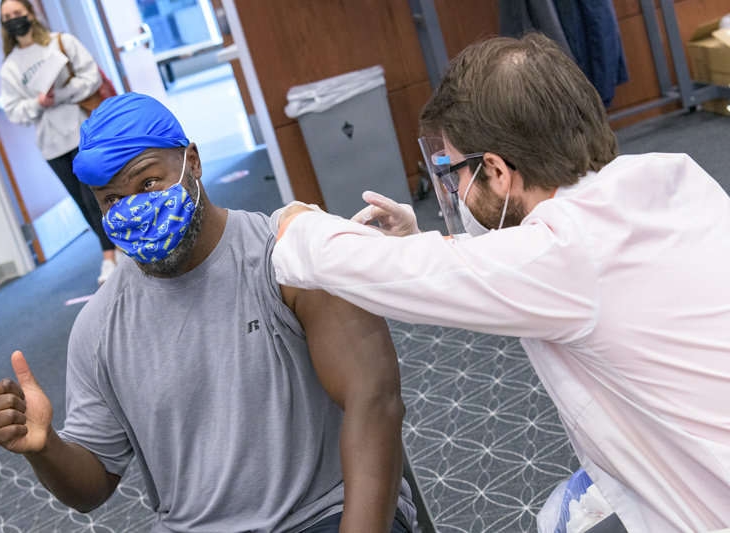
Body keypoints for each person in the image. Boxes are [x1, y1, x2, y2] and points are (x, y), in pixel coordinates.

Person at [270, 34, 730, 533]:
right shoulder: (666, 175)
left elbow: (403, 274)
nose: (455, 191)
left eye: (455, 173)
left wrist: (297, 223)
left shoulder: (564, 254)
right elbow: (506, 262)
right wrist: (417, 239)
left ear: (495, 169)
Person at [0, 92, 416, 532]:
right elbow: (93, 487)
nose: (133, 209)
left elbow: (375, 401)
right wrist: (45, 447)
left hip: (320, 515)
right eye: (112, 199)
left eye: (147, 183)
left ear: (192, 161)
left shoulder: (286, 259)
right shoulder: (98, 328)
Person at [0, 0, 117, 284]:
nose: (14, 19)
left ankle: (109, 258)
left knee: (95, 198)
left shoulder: (60, 42)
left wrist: (61, 94)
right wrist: (39, 103)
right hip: (52, 146)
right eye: (7, 17)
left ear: (31, 13)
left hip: (82, 132)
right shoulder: (10, 67)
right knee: (82, 204)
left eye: (18, 13)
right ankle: (115, 249)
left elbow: (90, 76)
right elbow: (15, 111)